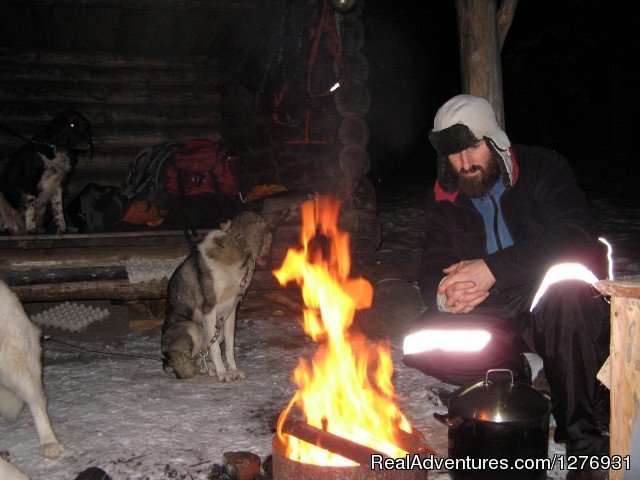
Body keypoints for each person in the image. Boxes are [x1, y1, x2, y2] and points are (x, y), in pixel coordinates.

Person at [408, 95, 610, 480]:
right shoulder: (445, 197)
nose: (465, 162)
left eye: (473, 147)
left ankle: (583, 442)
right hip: (496, 310)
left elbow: (574, 235)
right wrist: (446, 293)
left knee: (569, 295)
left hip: (549, 299)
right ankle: (515, 372)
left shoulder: (542, 168)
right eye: (455, 155)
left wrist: (492, 269)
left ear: (495, 140)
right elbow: (431, 266)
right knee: (422, 340)